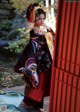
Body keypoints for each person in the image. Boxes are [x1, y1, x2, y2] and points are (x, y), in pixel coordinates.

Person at [14, 3, 55, 112]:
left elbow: (53, 38)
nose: (42, 21)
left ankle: (37, 104)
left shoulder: (43, 30)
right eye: (39, 19)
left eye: (43, 19)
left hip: (44, 62)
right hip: (37, 62)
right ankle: (27, 102)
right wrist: (47, 33)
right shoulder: (34, 32)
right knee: (34, 82)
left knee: (42, 84)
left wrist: (49, 29)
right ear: (33, 19)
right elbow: (36, 43)